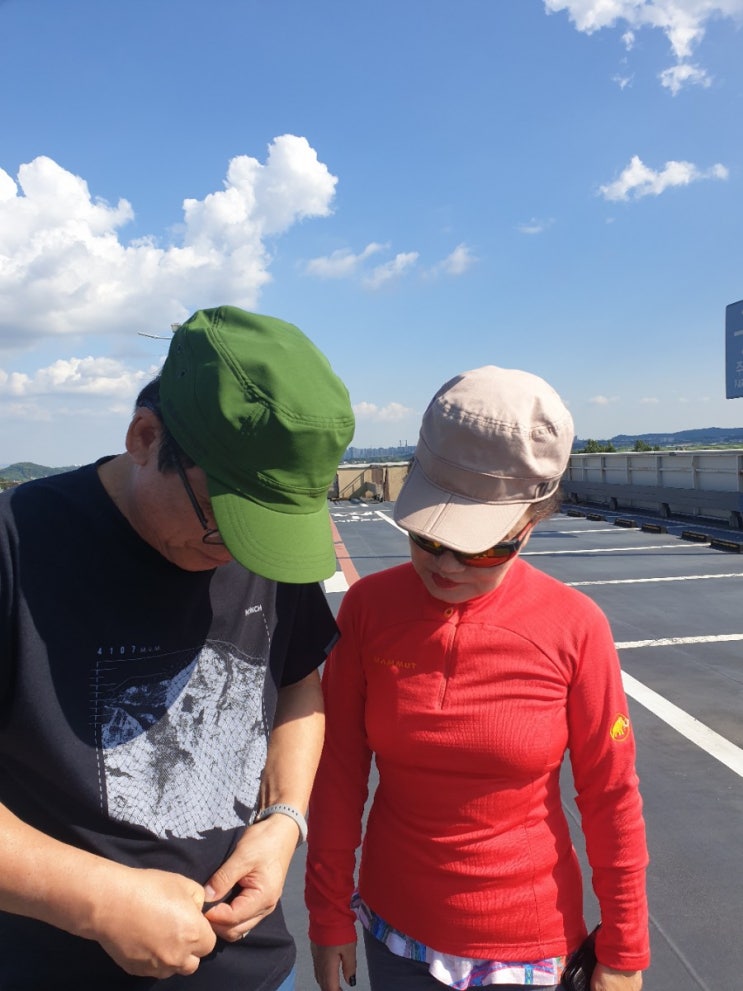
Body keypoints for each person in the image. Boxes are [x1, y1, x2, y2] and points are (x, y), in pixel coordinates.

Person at [0, 305, 355, 989]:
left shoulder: (263, 542)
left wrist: (282, 821)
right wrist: (96, 900)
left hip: (256, 969)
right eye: (225, 522)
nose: (244, 554)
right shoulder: (17, 544)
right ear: (144, 437)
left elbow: (296, 681)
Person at [305, 365, 650, 991]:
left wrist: (625, 949)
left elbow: (610, 796)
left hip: (528, 947)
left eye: (483, 547)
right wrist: (328, 915)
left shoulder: (576, 627)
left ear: (531, 522)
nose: (446, 564)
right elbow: (338, 774)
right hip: (393, 933)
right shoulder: (367, 610)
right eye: (427, 536)